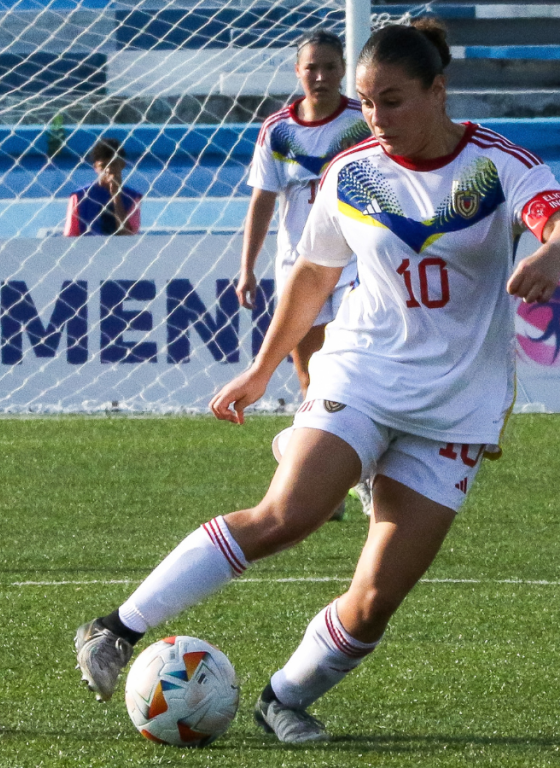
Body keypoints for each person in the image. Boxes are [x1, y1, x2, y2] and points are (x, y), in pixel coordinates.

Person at [73, 18, 560, 744]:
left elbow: (554, 219)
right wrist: (261, 370)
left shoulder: (495, 165)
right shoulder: (352, 171)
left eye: (393, 101)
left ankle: (282, 698)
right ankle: (115, 627)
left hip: (455, 406)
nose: (376, 118)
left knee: (373, 602)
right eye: (367, 102)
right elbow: (312, 275)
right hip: (360, 371)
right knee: (289, 514)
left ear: (438, 90)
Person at [242, 30, 372, 521]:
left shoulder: (364, 121)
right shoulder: (278, 130)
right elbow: (262, 200)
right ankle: (326, 486)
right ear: (297, 72)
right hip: (303, 269)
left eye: (329, 66)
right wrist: (246, 267)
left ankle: (364, 477)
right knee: (310, 376)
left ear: (345, 70)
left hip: (360, 262)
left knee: (358, 371)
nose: (320, 76)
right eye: (311, 67)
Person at [63, 138, 142, 236]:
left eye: (113, 164)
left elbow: (127, 235)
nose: (108, 170)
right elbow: (70, 235)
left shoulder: (133, 198)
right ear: (95, 167)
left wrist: (116, 195)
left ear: (122, 164)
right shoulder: (79, 197)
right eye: (103, 166)